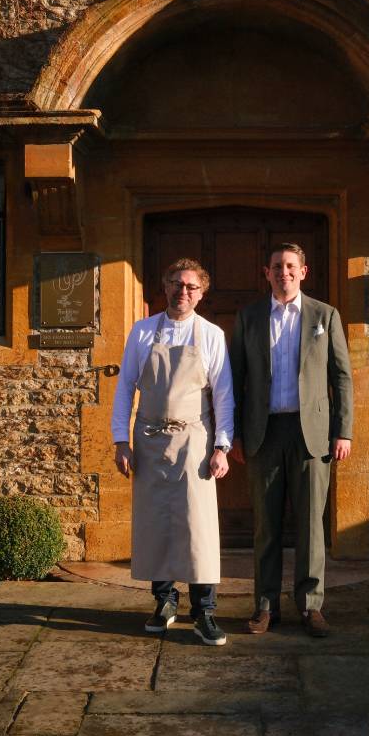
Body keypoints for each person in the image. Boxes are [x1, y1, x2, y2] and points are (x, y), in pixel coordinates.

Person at [230, 243, 353, 637]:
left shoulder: (324, 315)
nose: (283, 272)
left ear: (303, 271)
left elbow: (341, 377)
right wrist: (233, 434)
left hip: (311, 435)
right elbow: (234, 380)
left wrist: (343, 430)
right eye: (276, 266)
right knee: (265, 526)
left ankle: (310, 605)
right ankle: (265, 606)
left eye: (289, 266)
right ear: (266, 273)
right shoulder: (249, 317)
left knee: (311, 526)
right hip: (263, 433)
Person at [111, 258, 233, 646]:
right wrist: (121, 441)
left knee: (197, 525)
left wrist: (222, 446)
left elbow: (223, 394)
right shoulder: (143, 331)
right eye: (177, 284)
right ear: (165, 287)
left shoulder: (211, 334)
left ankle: (204, 610)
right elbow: (125, 387)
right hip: (148, 439)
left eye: (191, 287)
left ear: (202, 293)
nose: (183, 292)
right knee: (156, 523)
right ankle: (164, 601)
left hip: (194, 439)